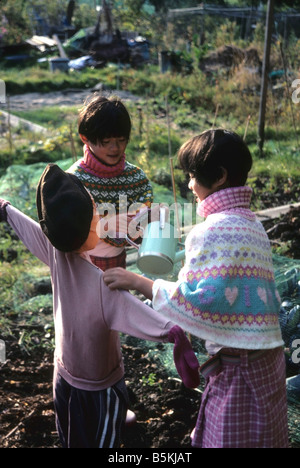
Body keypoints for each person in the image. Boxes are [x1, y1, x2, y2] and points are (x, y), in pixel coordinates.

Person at [103, 128, 290, 448]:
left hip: (239, 372)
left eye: (192, 176)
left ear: (218, 176)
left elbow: (202, 300)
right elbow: (226, 293)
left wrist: (139, 282)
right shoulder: (252, 224)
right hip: (268, 364)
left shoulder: (211, 230)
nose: (189, 185)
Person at [0, 163, 199, 448]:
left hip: (64, 376)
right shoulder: (103, 286)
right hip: (101, 387)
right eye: (96, 216)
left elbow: (30, 229)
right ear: (89, 227)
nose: (100, 219)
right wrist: (174, 333)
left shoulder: (56, 252)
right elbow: (144, 317)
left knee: (73, 437)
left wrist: (6, 209)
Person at [67, 94, 153, 271]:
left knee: (114, 296)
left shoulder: (134, 178)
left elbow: (144, 216)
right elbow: (69, 231)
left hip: (116, 262)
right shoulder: (73, 181)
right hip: (80, 264)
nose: (115, 148)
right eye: (106, 142)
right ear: (85, 138)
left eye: (121, 140)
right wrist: (106, 223)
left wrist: (140, 218)